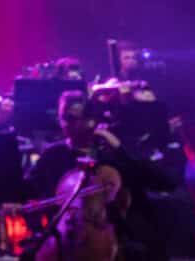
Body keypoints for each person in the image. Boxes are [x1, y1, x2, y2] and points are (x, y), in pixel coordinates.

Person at [24, 91, 174, 261]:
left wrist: (119, 149)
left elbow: (163, 182)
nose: (66, 124)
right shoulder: (54, 154)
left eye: (73, 119)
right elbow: (28, 190)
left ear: (91, 120)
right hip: (66, 236)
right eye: (63, 118)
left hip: (115, 236)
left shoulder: (112, 154)